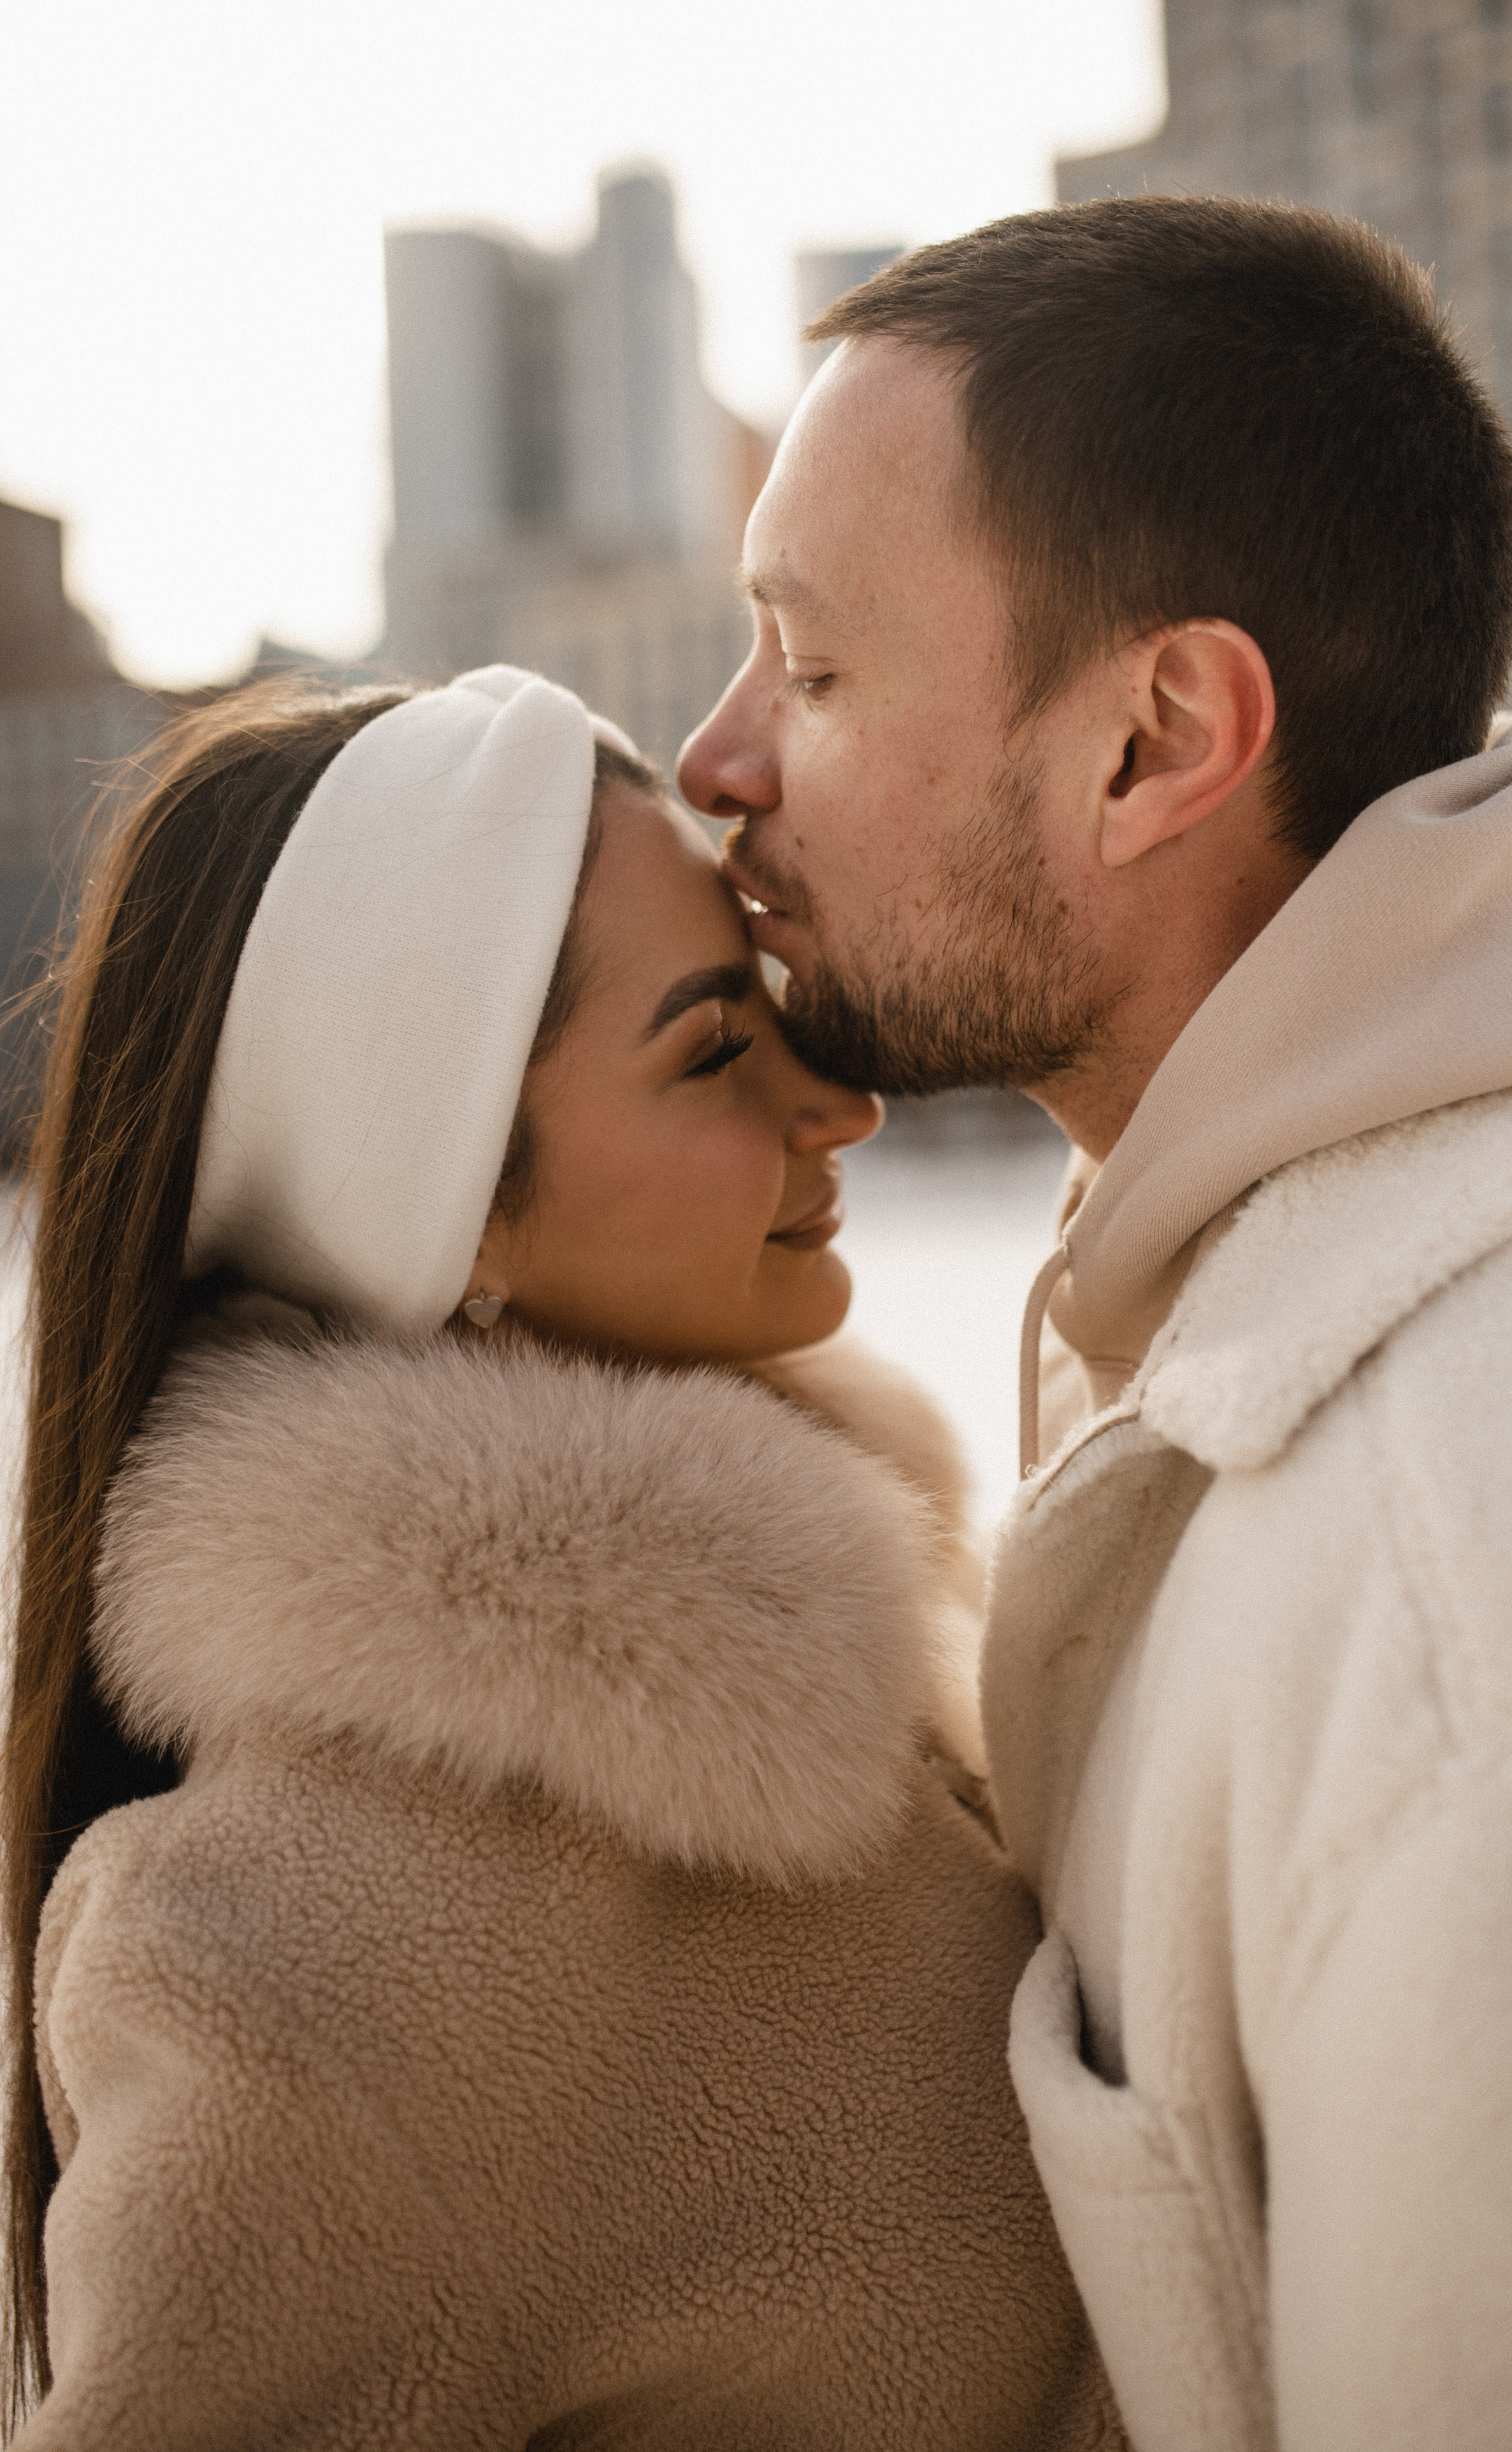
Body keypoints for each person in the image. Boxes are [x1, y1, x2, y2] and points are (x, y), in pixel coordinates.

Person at [677, 196, 1512, 2451]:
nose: (716, 763)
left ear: (1156, 740)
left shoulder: (1494, 1617)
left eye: (811, 671)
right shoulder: (1268, 1287)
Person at [1, 667, 1121, 2448]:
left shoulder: (874, 1658)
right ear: (443, 1217)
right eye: (711, 1048)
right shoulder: (306, 1954)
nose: (840, 1112)